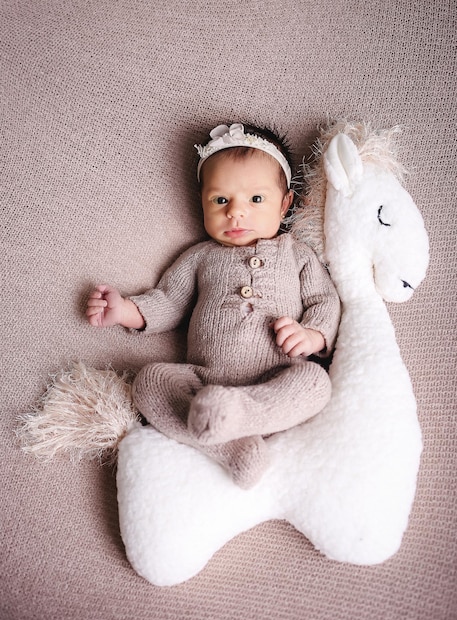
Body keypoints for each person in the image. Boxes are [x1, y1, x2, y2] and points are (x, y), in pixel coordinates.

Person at [86, 123, 341, 488]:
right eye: (221, 200)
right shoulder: (199, 257)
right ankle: (233, 449)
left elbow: (323, 299)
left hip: (277, 378)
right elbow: (169, 301)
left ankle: (242, 417)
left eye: (256, 200)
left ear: (285, 203)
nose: (236, 213)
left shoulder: (297, 255)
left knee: (316, 383)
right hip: (203, 381)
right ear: (202, 199)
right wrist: (125, 310)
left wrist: (312, 335)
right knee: (149, 381)